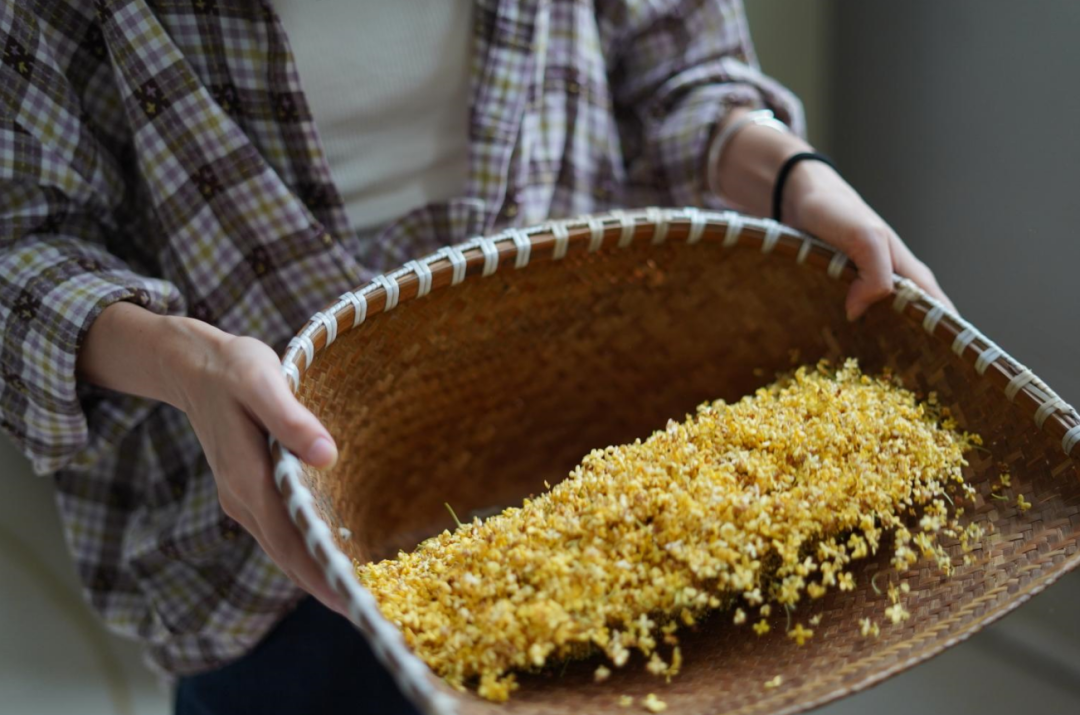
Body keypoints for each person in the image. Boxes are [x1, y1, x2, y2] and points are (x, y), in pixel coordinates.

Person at [0, 1, 952, 713]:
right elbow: (25, 239)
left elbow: (676, 67)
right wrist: (186, 364)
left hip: (598, 476)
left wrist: (791, 176)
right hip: (264, 551)